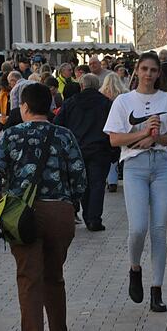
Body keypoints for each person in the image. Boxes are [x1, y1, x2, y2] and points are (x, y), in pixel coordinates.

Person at [0, 83, 87, 331]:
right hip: (59, 213)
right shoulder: (65, 135)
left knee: (29, 279)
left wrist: (0, 205)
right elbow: (80, 178)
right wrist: (69, 205)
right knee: (54, 277)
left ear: (24, 106)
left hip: (22, 215)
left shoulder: (11, 135)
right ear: (50, 107)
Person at [104, 52, 167, 313]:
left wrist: (157, 137)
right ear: (136, 71)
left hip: (162, 165)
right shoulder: (123, 101)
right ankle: (135, 267)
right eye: (145, 69)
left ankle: (157, 290)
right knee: (138, 228)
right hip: (135, 167)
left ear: (159, 73)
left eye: (153, 70)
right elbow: (114, 140)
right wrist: (142, 133)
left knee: (159, 229)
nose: (149, 74)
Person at [55, 74, 114, 231]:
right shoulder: (106, 103)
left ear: (81, 86)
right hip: (100, 149)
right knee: (97, 184)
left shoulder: (70, 103)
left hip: (76, 150)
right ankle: (93, 218)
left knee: (83, 184)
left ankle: (87, 214)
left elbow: (58, 124)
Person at [99, 73, 128, 192]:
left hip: (108, 127)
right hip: (124, 127)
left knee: (111, 154)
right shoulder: (125, 93)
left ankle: (112, 181)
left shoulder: (101, 94)